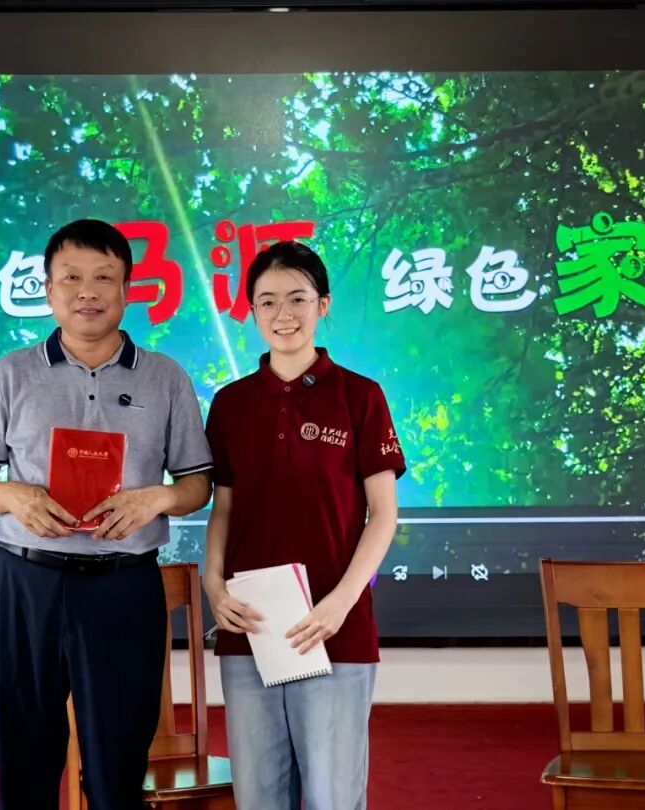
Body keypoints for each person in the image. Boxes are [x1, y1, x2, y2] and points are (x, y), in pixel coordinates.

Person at [0, 219, 213, 810]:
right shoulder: (9, 375)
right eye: (71, 278)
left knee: (118, 770)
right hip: (26, 583)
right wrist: (15, 497)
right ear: (48, 290)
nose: (87, 292)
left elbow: (197, 484)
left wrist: (157, 498)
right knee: (25, 763)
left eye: (104, 278)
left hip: (123, 586)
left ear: (127, 290)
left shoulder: (166, 378)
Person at [203, 240, 405, 810]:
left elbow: (383, 514)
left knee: (333, 797)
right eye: (267, 301)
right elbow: (224, 508)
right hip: (251, 626)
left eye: (297, 298)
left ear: (323, 305)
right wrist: (213, 584)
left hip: (333, 628)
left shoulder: (360, 396)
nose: (282, 313)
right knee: (258, 796)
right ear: (251, 311)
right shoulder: (231, 404)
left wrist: (340, 603)